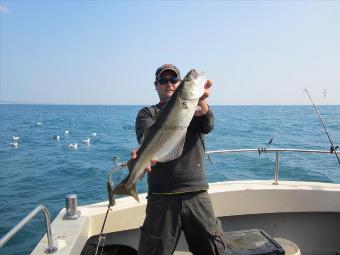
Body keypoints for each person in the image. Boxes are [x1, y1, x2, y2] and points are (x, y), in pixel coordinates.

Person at [132, 64, 225, 255]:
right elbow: (145, 137)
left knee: (212, 250)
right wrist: (142, 152)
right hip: (161, 196)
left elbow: (207, 124)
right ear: (156, 85)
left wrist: (202, 104)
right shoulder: (146, 113)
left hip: (196, 192)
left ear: (180, 83)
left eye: (174, 80)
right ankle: (128, 185)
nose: (169, 84)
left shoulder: (195, 107)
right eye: (163, 81)